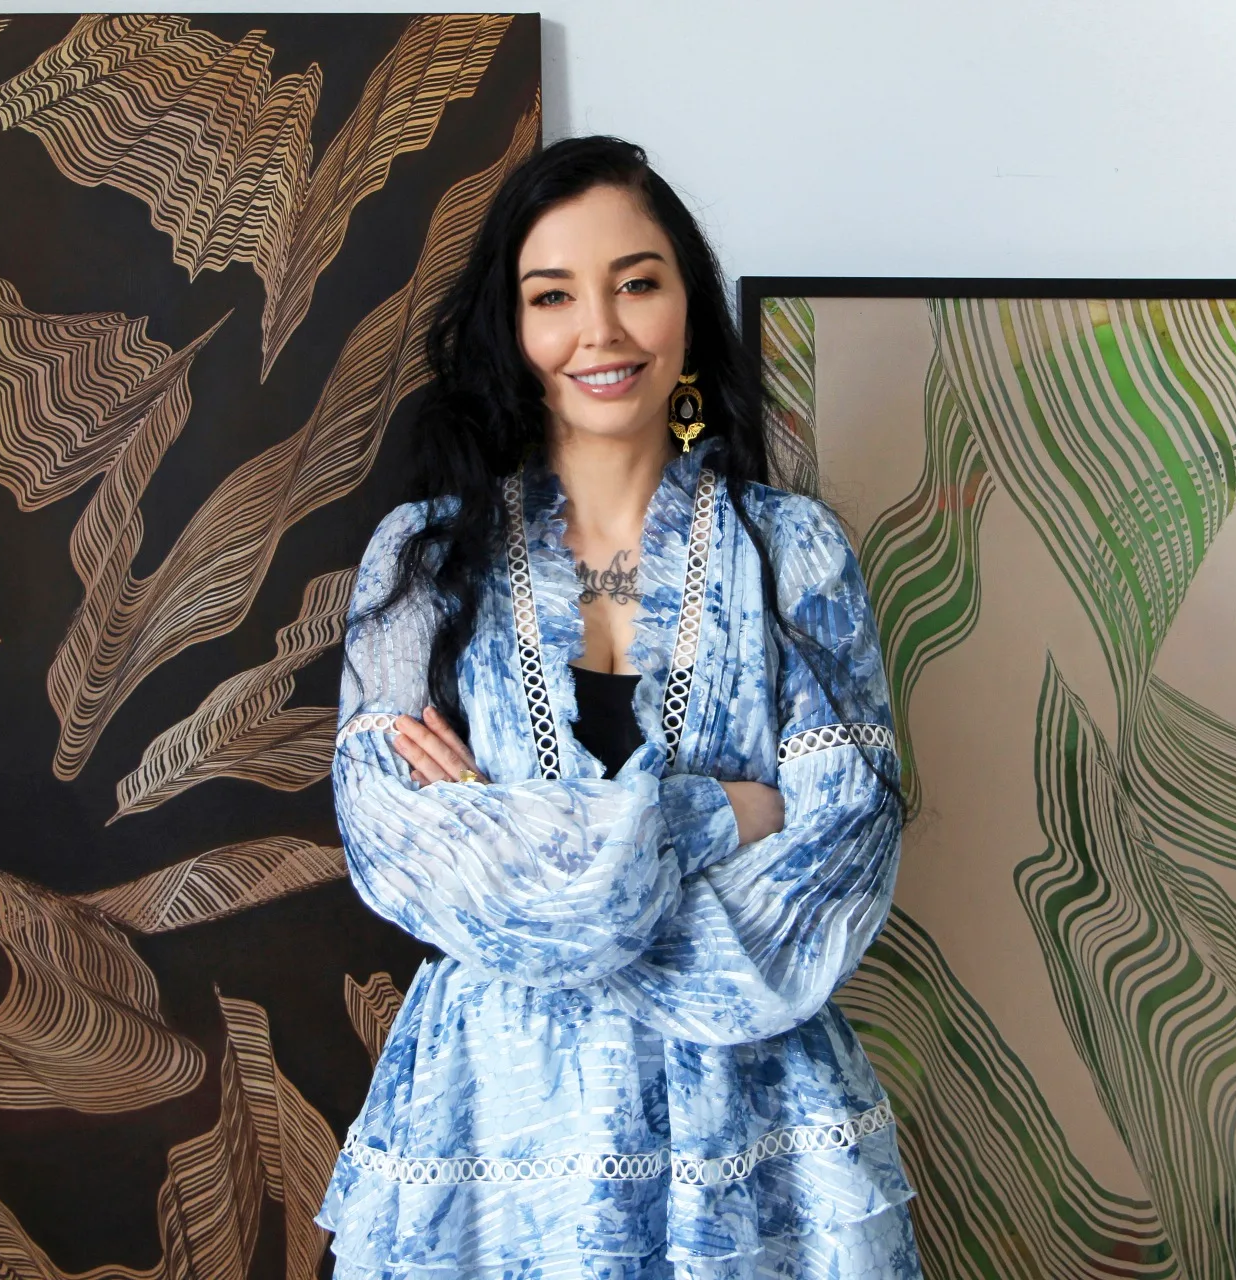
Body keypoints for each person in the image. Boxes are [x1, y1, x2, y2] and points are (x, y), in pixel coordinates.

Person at [317, 135, 922, 1280]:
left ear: (687, 306)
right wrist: (716, 814)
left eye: (637, 282)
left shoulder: (793, 555)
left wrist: (510, 830)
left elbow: (840, 866)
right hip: (493, 1132)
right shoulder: (422, 560)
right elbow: (398, 849)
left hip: (757, 1139)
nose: (601, 329)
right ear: (515, 328)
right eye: (554, 296)